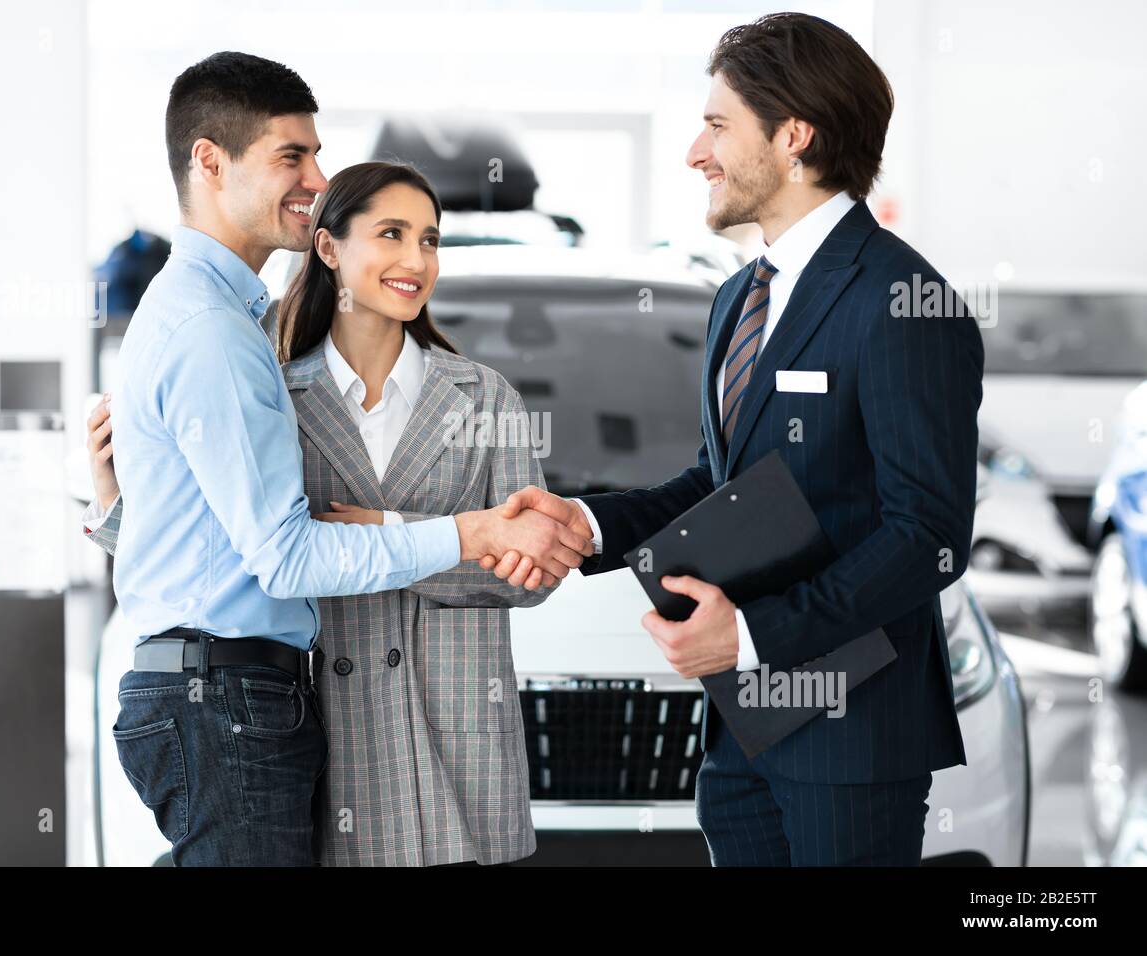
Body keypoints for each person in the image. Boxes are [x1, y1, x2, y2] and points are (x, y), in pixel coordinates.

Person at [491, 13, 984, 865]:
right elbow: (718, 483)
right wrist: (590, 526)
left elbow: (928, 535)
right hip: (745, 737)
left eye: (718, 125)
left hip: (850, 739)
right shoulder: (739, 298)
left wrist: (753, 634)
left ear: (794, 136)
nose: (696, 152)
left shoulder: (900, 302)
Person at [88, 52, 589, 867]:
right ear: (327, 250)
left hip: (433, 739)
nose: (316, 176)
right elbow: (274, 556)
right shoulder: (251, 359)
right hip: (291, 721)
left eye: (430, 239)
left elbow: (219, 544)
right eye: (294, 156)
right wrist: (462, 533)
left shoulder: (481, 395)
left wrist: (125, 502)